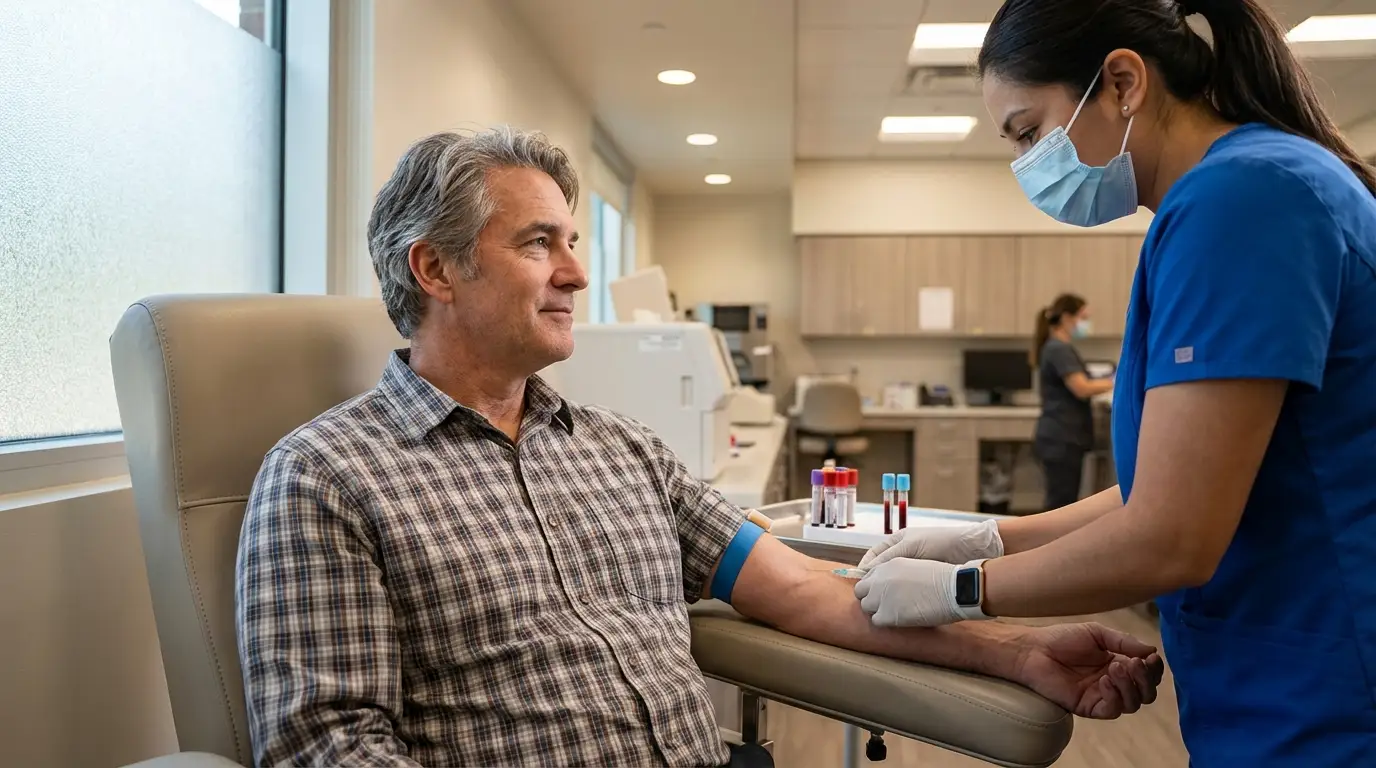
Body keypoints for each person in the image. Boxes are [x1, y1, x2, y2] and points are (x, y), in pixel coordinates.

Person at [235, 126, 1164, 767]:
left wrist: (1016, 650)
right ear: (433, 268)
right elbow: (331, 746)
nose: (576, 271)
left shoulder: (622, 452)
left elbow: (806, 594)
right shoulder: (328, 478)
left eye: (571, 239)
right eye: (537, 244)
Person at [854, 0, 1376, 765]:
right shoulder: (1245, 191)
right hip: (1278, 673)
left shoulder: (1244, 200)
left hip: (1327, 689)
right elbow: (1164, 486)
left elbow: (1170, 536)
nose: (1028, 163)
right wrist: (993, 534)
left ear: (1123, 82)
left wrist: (964, 589)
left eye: (1030, 131)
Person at [1031, 293, 1114, 510]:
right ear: (1067, 317)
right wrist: (1116, 381)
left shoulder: (1058, 347)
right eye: (1083, 317)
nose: (1085, 323)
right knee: (1060, 504)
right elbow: (1082, 387)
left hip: (1064, 436)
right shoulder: (1059, 349)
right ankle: (1050, 544)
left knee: (1062, 500)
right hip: (1062, 437)